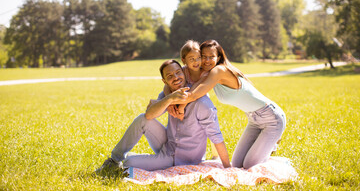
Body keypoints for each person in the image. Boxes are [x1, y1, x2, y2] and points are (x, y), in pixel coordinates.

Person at [96, 59, 230, 175]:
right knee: (142, 119)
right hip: (168, 144)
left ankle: (136, 159)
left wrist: (227, 167)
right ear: (164, 81)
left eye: (178, 72)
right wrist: (169, 99)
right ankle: (114, 160)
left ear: (184, 73)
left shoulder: (202, 103)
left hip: (181, 158)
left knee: (129, 162)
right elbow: (149, 115)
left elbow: (216, 136)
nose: (176, 77)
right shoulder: (169, 93)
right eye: (170, 76)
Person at [177, 40, 286, 169]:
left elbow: (195, 94)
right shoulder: (208, 73)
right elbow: (193, 84)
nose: (206, 60)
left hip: (272, 118)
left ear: (218, 57)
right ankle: (268, 144)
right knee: (238, 164)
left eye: (211, 56)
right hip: (254, 120)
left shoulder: (219, 71)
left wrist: (182, 106)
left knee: (249, 165)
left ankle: (272, 144)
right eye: (203, 56)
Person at [164, 40, 219, 159]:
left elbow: (194, 91)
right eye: (191, 59)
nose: (196, 62)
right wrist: (169, 102)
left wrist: (182, 106)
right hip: (184, 97)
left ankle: (216, 154)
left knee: (210, 124)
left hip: (199, 98)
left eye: (198, 58)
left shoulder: (204, 73)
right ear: (183, 60)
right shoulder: (183, 70)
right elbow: (166, 86)